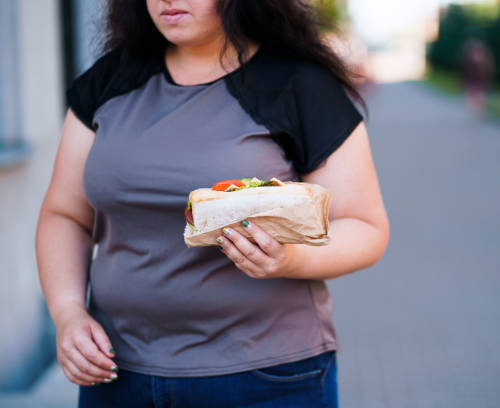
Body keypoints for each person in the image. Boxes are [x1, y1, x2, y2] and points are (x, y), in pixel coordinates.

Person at [35, 0, 389, 407]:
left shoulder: (301, 85)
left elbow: (365, 226)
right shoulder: (109, 80)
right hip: (118, 374)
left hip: (266, 379)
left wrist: (289, 258)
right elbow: (65, 215)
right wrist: (68, 314)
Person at [462, 37, 494, 118]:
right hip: (472, 80)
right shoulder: (470, 59)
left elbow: (488, 71)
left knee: (480, 96)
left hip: (481, 81)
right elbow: (467, 71)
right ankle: (476, 110)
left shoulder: (485, 60)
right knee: (473, 96)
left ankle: (480, 110)